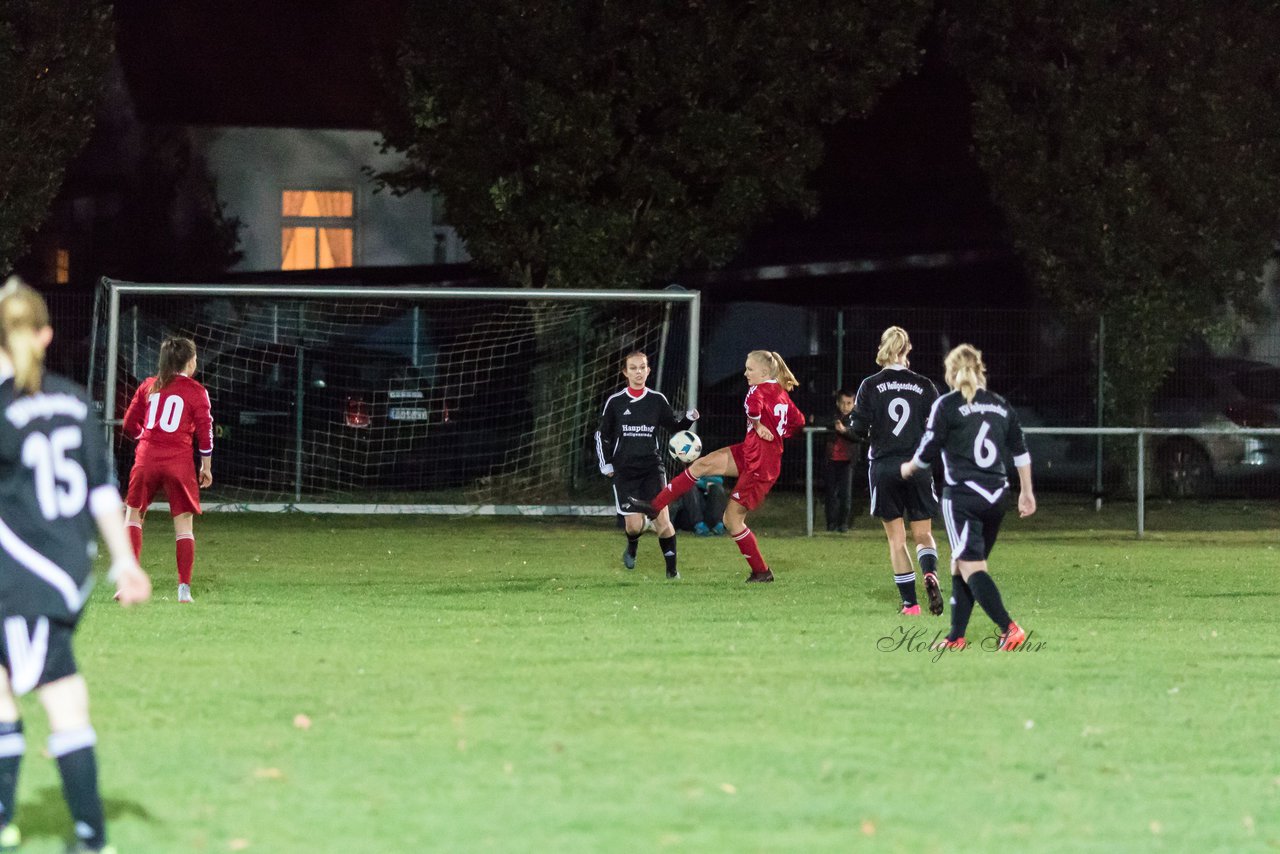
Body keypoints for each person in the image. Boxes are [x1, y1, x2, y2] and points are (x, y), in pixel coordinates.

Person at [0, 277, 152, 854]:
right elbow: (100, 492)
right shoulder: (74, 402)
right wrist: (125, 563)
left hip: (24, 576)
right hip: (58, 570)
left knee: (62, 700)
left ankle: (92, 839)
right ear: (45, 334)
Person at [900, 343, 1036, 651]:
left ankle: (1009, 627)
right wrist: (1026, 492)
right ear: (980, 370)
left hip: (963, 496)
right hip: (997, 496)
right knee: (962, 563)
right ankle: (955, 637)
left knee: (971, 565)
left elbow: (928, 451)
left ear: (951, 372)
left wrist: (909, 467)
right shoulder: (1001, 405)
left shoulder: (947, 405)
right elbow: (1020, 452)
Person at [627, 350, 806, 583]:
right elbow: (799, 421)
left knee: (732, 521)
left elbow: (753, 408)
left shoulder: (757, 390)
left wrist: (759, 425)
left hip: (760, 466)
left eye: (750, 369)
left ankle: (762, 572)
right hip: (751, 452)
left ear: (763, 372)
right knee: (702, 464)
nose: (745, 373)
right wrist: (779, 433)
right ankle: (655, 506)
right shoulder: (780, 393)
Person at [844, 326, 943, 616]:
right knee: (923, 535)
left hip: (885, 466)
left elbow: (858, 429)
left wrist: (856, 427)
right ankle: (930, 573)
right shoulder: (924, 385)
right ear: (907, 350)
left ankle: (910, 605)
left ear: (884, 348)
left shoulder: (870, 385)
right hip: (916, 466)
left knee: (896, 540)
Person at [121, 336, 214, 603]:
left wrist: (145, 438)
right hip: (179, 460)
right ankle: (183, 590)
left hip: (146, 458)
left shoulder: (149, 386)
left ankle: (128, 583)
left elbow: (128, 424)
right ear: (190, 361)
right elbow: (205, 432)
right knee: (184, 527)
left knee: (133, 517)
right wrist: (205, 466)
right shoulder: (196, 391)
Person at [595, 350, 698, 578]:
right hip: (624, 470)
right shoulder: (616, 402)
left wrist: (689, 419)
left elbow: (674, 428)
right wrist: (606, 464)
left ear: (648, 370)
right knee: (633, 526)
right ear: (625, 373)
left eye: (642, 367)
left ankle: (672, 572)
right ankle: (632, 544)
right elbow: (602, 435)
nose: (638, 372)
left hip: (652, 468)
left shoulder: (656, 400)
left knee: (662, 519)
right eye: (633, 368)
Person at [825, 390, 859, 532]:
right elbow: (821, 421)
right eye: (843, 403)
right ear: (838, 403)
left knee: (846, 495)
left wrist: (845, 431)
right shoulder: (832, 417)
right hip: (831, 460)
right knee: (831, 494)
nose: (846, 406)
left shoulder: (857, 419)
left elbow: (859, 436)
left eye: (849, 403)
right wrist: (834, 424)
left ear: (854, 404)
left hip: (848, 462)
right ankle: (831, 524)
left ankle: (843, 524)